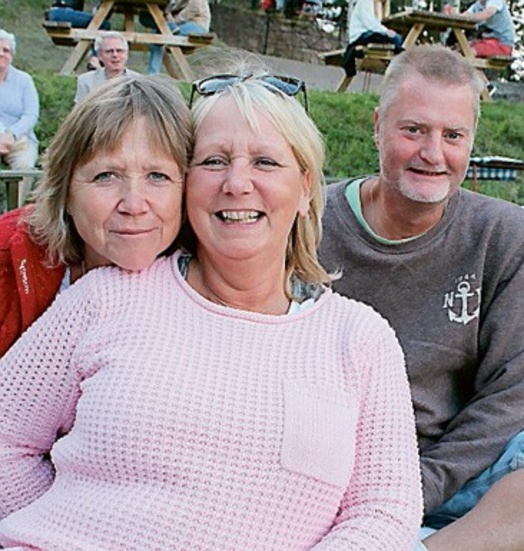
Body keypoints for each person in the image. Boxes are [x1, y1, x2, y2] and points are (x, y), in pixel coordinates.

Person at [0, 68, 422, 549]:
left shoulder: (359, 339)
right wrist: (50, 530)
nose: (237, 183)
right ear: (186, 182)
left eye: (265, 162)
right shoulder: (108, 297)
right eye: (214, 161)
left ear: (306, 187)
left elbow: (385, 510)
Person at [318, 44, 524, 551]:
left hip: (460, 470)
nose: (433, 153)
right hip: (337, 480)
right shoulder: (312, 221)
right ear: (377, 125)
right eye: (413, 130)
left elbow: (508, 395)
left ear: (471, 141)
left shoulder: (504, 234)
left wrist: (417, 488)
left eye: (452, 135)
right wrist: (372, 498)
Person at [0, 74, 190, 358]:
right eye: (106, 176)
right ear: (64, 192)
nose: (134, 204)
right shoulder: (8, 253)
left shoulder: (211, 287)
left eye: (157, 176)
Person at [0, 29, 39, 207]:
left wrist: (11, 135)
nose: (1, 54)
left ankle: (14, 212)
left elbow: (31, 114)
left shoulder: (24, 80)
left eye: (6, 50)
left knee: (24, 166)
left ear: (12, 55)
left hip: (19, 139)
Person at [146, 0, 210, 75]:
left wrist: (175, 20)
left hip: (197, 25)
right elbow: (173, 5)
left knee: (159, 35)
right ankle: (153, 74)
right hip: (181, 24)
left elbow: (195, 8)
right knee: (156, 35)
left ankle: (153, 74)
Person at [75, 32, 140, 103]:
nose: (115, 55)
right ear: (100, 56)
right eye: (109, 51)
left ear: (126, 54)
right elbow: (81, 112)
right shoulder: (86, 81)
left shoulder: (139, 81)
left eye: (119, 51)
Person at [343, 0, 402, 78]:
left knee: (397, 38)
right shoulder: (365, 1)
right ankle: (395, 67)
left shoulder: (377, 5)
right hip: (360, 35)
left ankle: (394, 65)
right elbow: (369, 23)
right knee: (395, 38)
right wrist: (386, 31)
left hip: (369, 33)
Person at [45, 0, 110, 70]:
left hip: (60, 13)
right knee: (102, 25)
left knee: (99, 24)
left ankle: (95, 60)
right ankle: (95, 61)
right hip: (61, 13)